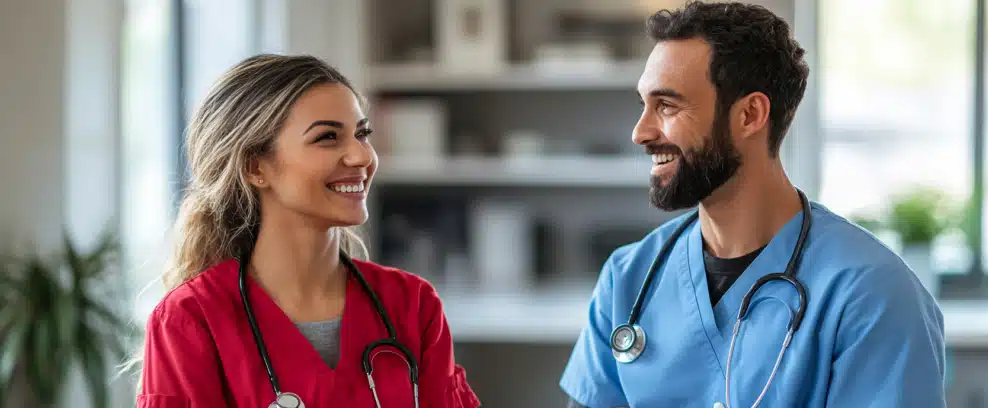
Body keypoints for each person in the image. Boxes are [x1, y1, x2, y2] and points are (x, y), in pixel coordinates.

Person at [559, 2, 946, 407]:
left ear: (750, 115)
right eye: (644, 105)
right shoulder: (627, 279)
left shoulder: (874, 296)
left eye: (667, 106)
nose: (640, 132)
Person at [134, 54, 480, 408]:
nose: (362, 156)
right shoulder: (191, 319)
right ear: (255, 167)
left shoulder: (412, 306)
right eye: (328, 137)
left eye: (362, 134)